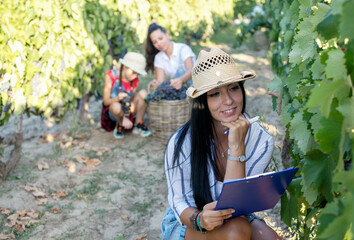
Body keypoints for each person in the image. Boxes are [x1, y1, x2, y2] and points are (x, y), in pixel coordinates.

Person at [161, 47, 282, 240]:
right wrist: (200, 219)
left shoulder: (261, 141)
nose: (228, 101)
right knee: (236, 231)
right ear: (203, 101)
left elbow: (236, 203)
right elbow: (180, 203)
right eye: (215, 94)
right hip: (191, 222)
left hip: (237, 216)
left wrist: (237, 147)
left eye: (233, 88)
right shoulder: (181, 143)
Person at [100, 52, 152, 138]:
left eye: (137, 74)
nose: (135, 76)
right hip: (114, 111)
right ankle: (120, 124)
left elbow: (130, 100)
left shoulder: (134, 80)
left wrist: (127, 114)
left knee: (144, 93)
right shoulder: (111, 75)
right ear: (124, 66)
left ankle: (138, 123)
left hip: (127, 108)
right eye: (133, 72)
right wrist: (117, 98)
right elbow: (106, 102)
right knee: (116, 106)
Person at [145, 22, 196, 91]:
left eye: (160, 38)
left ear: (167, 35)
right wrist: (156, 84)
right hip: (180, 92)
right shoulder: (158, 58)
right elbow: (160, 82)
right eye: (155, 42)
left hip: (195, 87)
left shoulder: (183, 49)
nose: (159, 43)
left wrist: (181, 80)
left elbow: (191, 71)